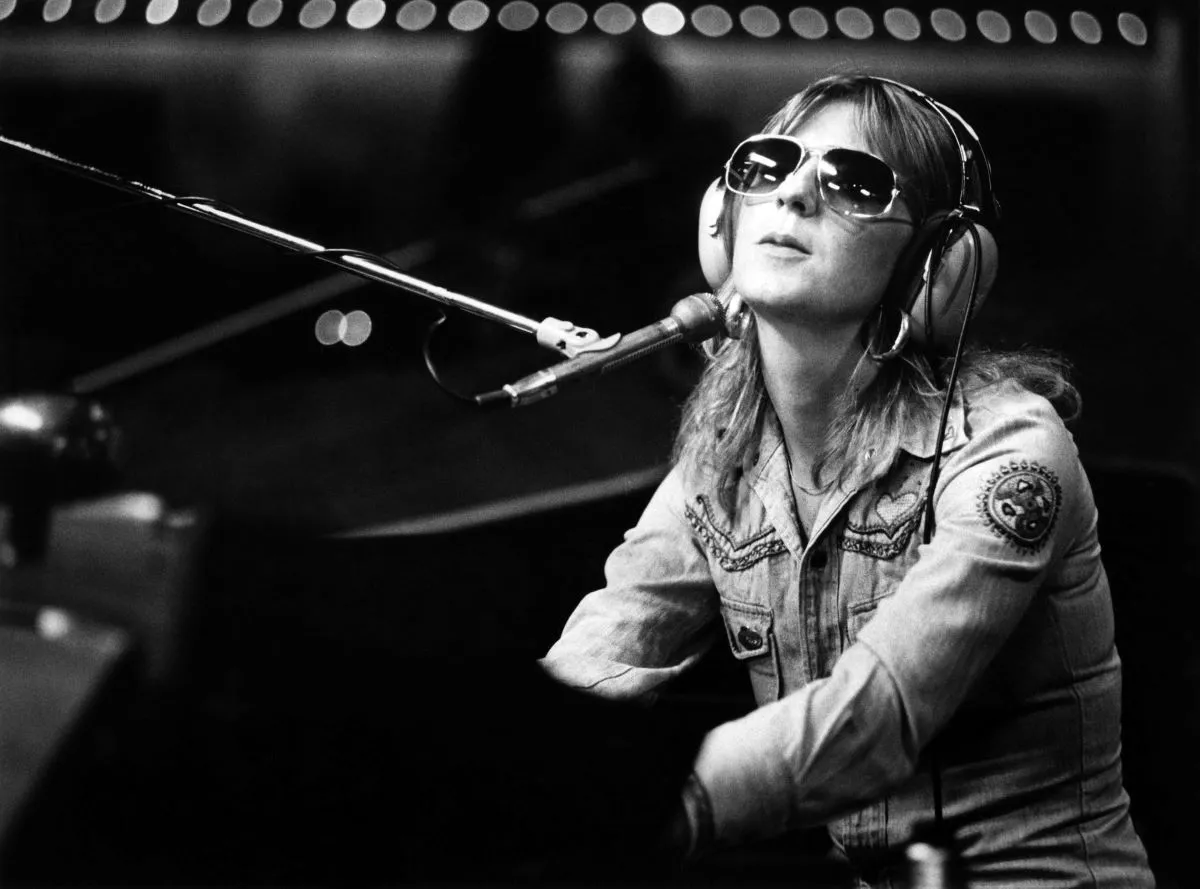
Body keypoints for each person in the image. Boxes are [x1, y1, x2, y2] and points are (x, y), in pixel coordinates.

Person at [540, 73, 1155, 888]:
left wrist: (655, 801)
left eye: (853, 183)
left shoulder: (1011, 454)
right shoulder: (724, 451)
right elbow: (616, 633)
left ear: (934, 267)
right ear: (722, 222)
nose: (793, 194)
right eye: (769, 165)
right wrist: (509, 759)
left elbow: (876, 718)